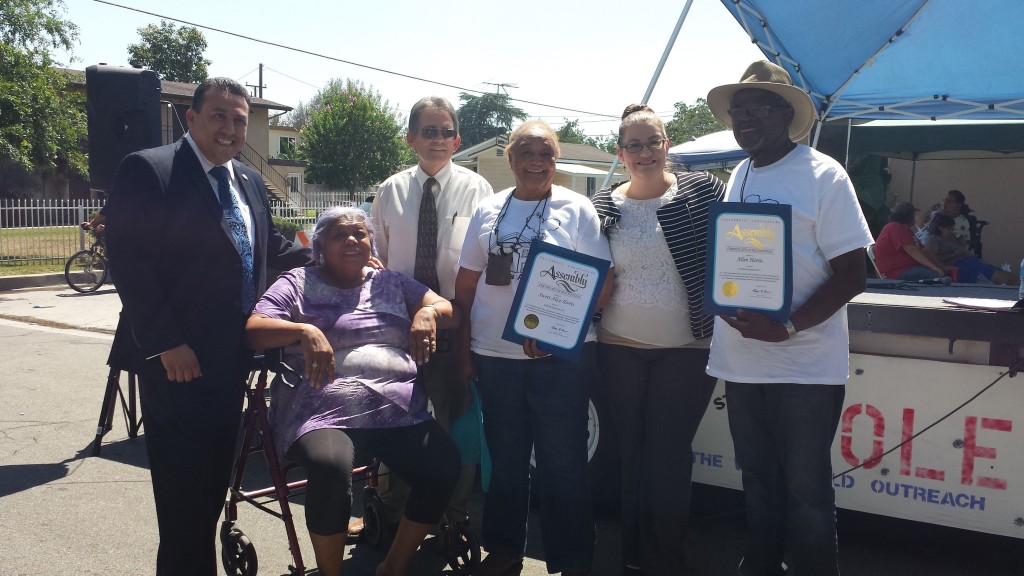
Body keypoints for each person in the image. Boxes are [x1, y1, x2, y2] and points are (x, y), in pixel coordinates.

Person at [104, 77, 312, 576]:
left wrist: (335, 256)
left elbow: (271, 253)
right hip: (178, 365)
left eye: (240, 119)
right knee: (182, 506)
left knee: (209, 494)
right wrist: (166, 342)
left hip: (230, 363)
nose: (231, 127)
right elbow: (130, 260)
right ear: (191, 117)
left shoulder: (246, 180)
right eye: (219, 115)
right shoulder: (151, 171)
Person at [705, 61, 874, 576]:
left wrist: (789, 326)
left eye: (759, 106)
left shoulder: (824, 174)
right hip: (742, 360)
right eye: (739, 110)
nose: (746, 117)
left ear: (786, 112)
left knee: (806, 493)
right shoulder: (740, 172)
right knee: (757, 480)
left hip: (804, 366)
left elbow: (853, 274)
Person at [245, 207, 461, 576]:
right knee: (330, 469)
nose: (352, 240)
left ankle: (394, 566)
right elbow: (254, 329)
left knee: (443, 465)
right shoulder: (297, 283)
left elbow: (449, 310)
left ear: (370, 243)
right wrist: (303, 331)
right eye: (339, 235)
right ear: (319, 246)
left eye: (360, 234)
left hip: (395, 408)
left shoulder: (390, 282)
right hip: (318, 407)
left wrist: (428, 314)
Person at [454, 120, 613, 576]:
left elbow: (601, 282)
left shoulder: (578, 208)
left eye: (545, 153)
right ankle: (504, 552)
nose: (537, 162)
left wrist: (558, 334)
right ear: (510, 158)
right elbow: (465, 289)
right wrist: (464, 354)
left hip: (561, 359)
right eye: (527, 152)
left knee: (563, 461)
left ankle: (572, 559)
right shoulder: (487, 211)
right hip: (495, 357)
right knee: (506, 461)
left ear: (556, 159)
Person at [590, 104, 722, 576]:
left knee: (667, 455)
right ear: (620, 152)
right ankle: (632, 556)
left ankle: (665, 560)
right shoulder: (602, 205)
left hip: (689, 348)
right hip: (619, 344)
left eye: (653, 142)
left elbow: (744, 241)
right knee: (631, 452)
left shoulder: (704, 190)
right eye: (634, 145)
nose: (644, 152)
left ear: (667, 145)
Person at [371, 96, 493, 526]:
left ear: (457, 139)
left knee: (455, 426)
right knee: (400, 426)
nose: (438, 139)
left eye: (446, 132)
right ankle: (393, 515)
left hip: (456, 329)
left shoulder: (479, 191)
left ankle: (452, 518)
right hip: (400, 332)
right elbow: (379, 262)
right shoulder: (390, 191)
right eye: (429, 131)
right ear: (411, 138)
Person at [922, 213, 1015, 284]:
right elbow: (929, 254)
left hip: (970, 261)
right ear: (940, 227)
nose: (951, 231)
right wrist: (944, 267)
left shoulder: (950, 236)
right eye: (949, 229)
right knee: (1000, 277)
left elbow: (961, 250)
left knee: (1001, 272)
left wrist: (961, 244)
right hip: (961, 266)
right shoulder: (934, 238)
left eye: (952, 229)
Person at [872, 202, 946, 280]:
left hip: (907, 269)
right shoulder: (894, 227)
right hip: (895, 273)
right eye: (913, 215)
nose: (915, 217)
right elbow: (912, 250)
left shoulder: (908, 232)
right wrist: (934, 267)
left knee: (938, 273)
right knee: (933, 275)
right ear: (908, 216)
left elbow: (924, 251)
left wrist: (942, 267)